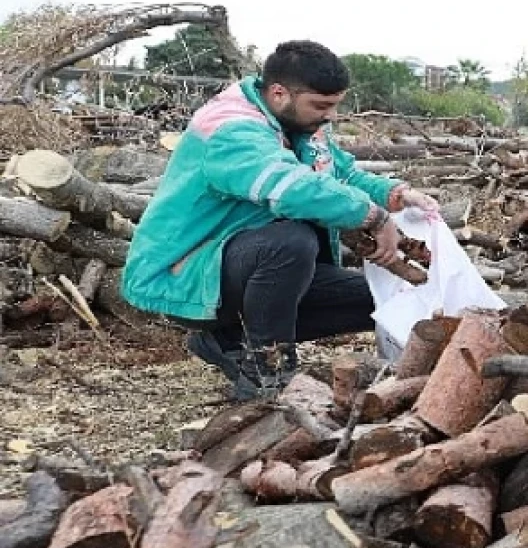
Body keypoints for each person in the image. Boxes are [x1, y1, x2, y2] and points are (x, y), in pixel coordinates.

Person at [121, 40, 440, 401]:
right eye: (321, 106)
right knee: (291, 241)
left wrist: (394, 195)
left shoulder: (302, 122)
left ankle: (228, 339)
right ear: (278, 93)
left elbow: (339, 174)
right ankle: (268, 372)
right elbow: (292, 188)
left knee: (382, 300)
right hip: (188, 273)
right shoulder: (230, 130)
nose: (330, 116)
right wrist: (373, 216)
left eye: (334, 106)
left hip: (248, 266)